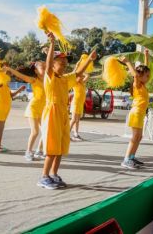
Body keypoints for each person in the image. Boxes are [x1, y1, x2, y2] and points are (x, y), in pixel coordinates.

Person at [37, 32, 96, 189]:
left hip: (63, 112)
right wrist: (52, 44)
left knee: (61, 147)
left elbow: (78, 73)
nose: (64, 66)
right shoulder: (50, 77)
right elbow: (48, 65)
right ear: (54, 65)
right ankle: (44, 177)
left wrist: (89, 59)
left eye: (65, 64)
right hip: (51, 112)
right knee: (52, 146)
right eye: (61, 63)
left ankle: (54, 175)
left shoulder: (65, 78)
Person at [3, 62, 46, 161]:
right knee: (35, 131)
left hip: (42, 109)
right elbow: (20, 75)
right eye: (42, 67)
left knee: (45, 131)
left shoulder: (48, 80)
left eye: (46, 67)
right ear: (35, 71)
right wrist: (10, 69)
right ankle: (28, 152)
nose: (45, 68)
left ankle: (38, 151)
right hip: (33, 108)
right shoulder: (34, 80)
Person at [119, 50, 150, 169]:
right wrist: (127, 62)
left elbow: (143, 71)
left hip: (140, 114)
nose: (148, 77)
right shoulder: (137, 84)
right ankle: (126, 159)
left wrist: (146, 57)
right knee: (135, 137)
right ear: (140, 76)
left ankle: (132, 157)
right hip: (136, 113)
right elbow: (136, 74)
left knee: (139, 136)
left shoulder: (143, 85)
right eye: (147, 76)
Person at [0, 73, 26, 152]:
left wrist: (19, 90)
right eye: (8, 76)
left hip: (5, 109)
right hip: (1, 108)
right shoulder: (1, 84)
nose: (9, 78)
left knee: (1, 128)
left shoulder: (7, 86)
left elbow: (11, 95)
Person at [69, 59, 91, 141]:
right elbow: (72, 74)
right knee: (74, 119)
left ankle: (76, 134)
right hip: (75, 103)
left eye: (82, 77)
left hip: (80, 103)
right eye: (80, 76)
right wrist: (77, 67)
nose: (82, 78)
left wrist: (82, 70)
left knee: (77, 120)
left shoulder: (82, 83)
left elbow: (87, 75)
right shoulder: (74, 83)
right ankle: (66, 134)